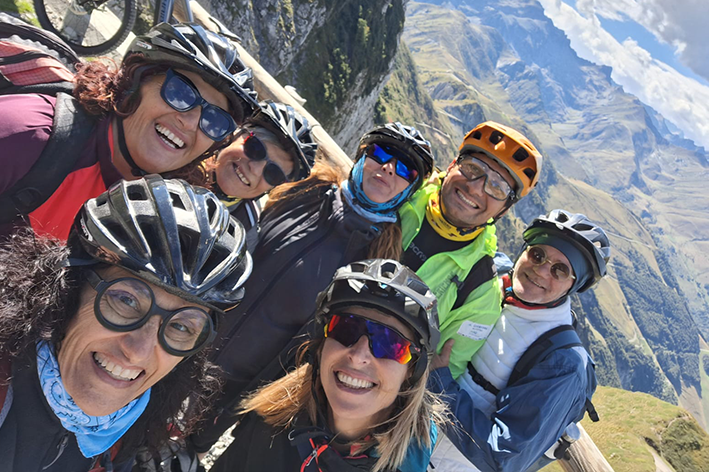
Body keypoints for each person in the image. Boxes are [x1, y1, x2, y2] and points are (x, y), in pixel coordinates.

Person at [187, 122, 435, 456]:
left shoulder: (377, 259)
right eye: (380, 153)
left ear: (410, 189)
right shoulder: (306, 189)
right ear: (362, 157)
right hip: (189, 333)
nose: (389, 168)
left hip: (235, 386)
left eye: (405, 170)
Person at [0, 175, 252, 471]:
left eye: (182, 327)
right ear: (70, 288)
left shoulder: (135, 424)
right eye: (126, 301)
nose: (138, 352)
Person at [0, 22, 257, 241]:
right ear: (134, 82)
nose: (190, 123)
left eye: (215, 120)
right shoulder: (28, 133)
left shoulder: (163, 215)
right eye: (180, 92)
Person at [210, 259, 447, 472]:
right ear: (320, 345)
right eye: (345, 329)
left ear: (411, 372)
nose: (358, 356)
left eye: (390, 343)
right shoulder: (271, 420)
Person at [428, 210, 611, 472]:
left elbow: (503, 455)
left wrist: (439, 381)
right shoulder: (491, 279)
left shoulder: (563, 364)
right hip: (408, 442)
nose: (541, 270)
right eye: (537, 254)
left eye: (560, 270)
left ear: (574, 285)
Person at [399, 121, 543, 378]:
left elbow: (445, 372)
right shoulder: (400, 190)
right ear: (452, 165)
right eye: (473, 168)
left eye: (497, 187)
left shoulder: (480, 292)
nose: (475, 187)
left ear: (504, 210)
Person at [202, 100, 318, 249]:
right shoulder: (180, 155)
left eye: (273, 173)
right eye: (255, 148)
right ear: (237, 133)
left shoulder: (242, 233)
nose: (255, 169)